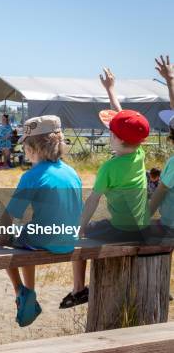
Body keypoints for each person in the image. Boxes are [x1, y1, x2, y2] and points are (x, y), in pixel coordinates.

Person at [60, 68, 150, 309]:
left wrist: (79, 228)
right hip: (142, 226)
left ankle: (79, 289)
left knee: (79, 235)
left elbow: (92, 201)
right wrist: (110, 90)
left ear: (117, 139)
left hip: (121, 230)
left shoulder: (109, 168)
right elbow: (127, 121)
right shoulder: (139, 153)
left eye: (111, 133)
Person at [4, 115, 82, 326]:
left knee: (5, 237)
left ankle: (23, 290)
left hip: (46, 240)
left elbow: (10, 215)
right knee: (26, 232)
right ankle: (27, 290)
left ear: (33, 148)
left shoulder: (32, 176)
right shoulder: (72, 172)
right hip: (70, 239)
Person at [149, 55, 174, 233]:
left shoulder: (173, 163)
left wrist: (143, 219)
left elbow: (159, 193)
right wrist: (170, 80)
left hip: (170, 226)